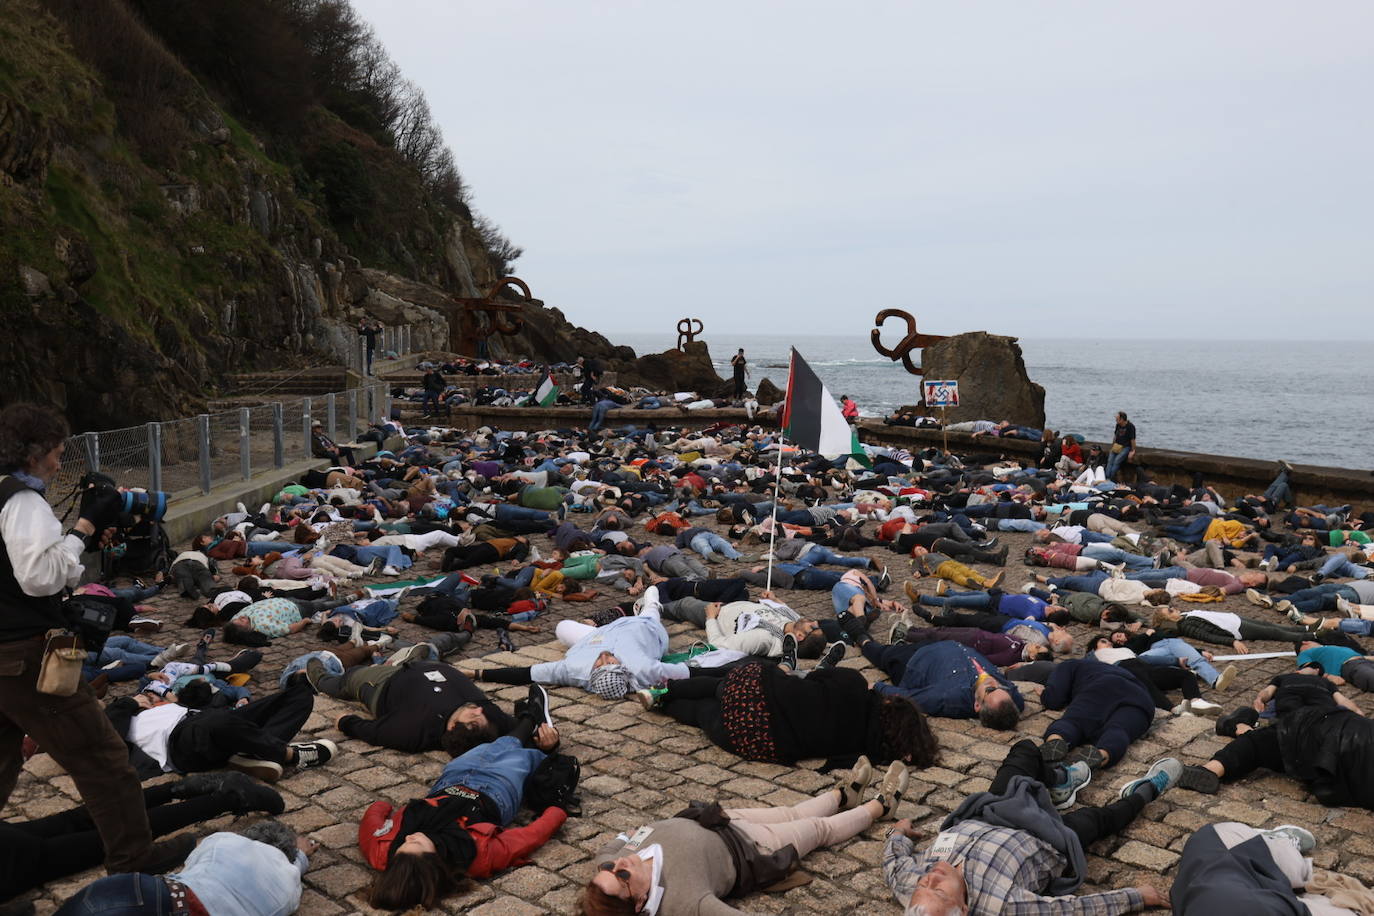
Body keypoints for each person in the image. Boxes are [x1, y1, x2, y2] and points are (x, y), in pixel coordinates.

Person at [0, 402, 191, 875]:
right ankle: (134, 862)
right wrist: (83, 527)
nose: (61, 462)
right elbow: (40, 577)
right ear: (36, 451)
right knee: (103, 760)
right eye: (58, 452)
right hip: (24, 658)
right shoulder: (22, 501)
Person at [884, 739, 1178, 914]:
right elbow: (1073, 910)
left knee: (1024, 749)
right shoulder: (1003, 907)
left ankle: (1061, 780)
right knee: (1102, 819)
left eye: (924, 885)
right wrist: (1137, 897)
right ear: (963, 910)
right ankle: (1147, 790)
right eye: (939, 892)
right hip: (1046, 835)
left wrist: (898, 832)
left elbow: (895, 864)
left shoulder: (909, 886)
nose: (931, 878)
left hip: (993, 809)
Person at [582, 759, 911, 915]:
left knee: (792, 811)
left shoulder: (608, 865)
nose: (618, 864)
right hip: (751, 846)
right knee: (816, 830)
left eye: (610, 869)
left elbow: (610, 847)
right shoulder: (682, 902)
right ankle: (880, 807)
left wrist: (624, 839)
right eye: (621, 874)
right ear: (639, 902)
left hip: (718, 820)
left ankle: (843, 796)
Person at [360, 689, 568, 910]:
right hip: (495, 791)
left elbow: (371, 819)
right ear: (435, 860)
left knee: (481, 751)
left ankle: (529, 720)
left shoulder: (383, 851)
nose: (410, 837)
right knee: (523, 757)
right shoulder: (476, 856)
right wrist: (557, 811)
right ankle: (532, 722)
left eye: (404, 845)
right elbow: (529, 837)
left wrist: (382, 807)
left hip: (450, 783)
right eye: (418, 844)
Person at [0, 772, 284, 901]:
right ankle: (177, 789)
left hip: (12, 865)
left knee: (119, 834)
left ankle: (227, 798)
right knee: (79, 819)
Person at [639, 658, 939, 767]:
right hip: (756, 739)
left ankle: (666, 691)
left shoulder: (853, 683)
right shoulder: (864, 749)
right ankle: (669, 705)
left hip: (757, 693)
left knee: (722, 685)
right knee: (704, 715)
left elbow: (814, 678)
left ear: (889, 704)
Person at [467, 585, 692, 699]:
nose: (603, 657)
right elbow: (688, 672)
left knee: (562, 627)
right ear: (622, 669)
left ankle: (616, 615)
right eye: (610, 661)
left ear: (592, 674)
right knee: (652, 595)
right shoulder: (644, 669)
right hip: (645, 629)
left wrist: (478, 674)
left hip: (595, 638)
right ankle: (651, 606)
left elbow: (527, 673)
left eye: (599, 665)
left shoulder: (574, 670)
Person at [56, 820, 317, 916]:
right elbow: (299, 866)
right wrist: (301, 855)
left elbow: (192, 862)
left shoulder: (224, 841)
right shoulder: (288, 887)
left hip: (144, 891)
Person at [1172, 822, 1351, 916]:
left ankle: (1277, 840)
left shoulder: (1259, 909)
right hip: (1206, 856)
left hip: (1225, 842)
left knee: (1298, 872)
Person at [865, 637, 1024, 730]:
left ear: (977, 705)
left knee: (878, 651)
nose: (994, 683)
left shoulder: (950, 698)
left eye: (990, 690)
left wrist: (877, 687)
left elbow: (908, 698)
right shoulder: (1012, 698)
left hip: (914, 661)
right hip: (946, 646)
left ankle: (854, 631)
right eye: (1002, 688)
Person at [1037, 657, 1157, 771]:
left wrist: (1045, 693)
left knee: (1075, 722)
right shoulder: (1098, 666)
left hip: (1104, 685)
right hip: (1142, 699)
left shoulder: (1067, 664)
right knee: (1119, 729)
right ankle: (1103, 754)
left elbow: (1054, 699)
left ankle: (1056, 741)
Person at [1106, 410, 1136, 481]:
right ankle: (1107, 477)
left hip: (1125, 447)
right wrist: (1112, 446)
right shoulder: (1118, 425)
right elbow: (1115, 436)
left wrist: (1133, 450)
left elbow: (1132, 439)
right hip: (1116, 446)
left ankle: (1110, 478)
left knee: (1117, 461)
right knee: (1110, 460)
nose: (1116, 420)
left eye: (1117, 419)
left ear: (1122, 419)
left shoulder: (1130, 426)